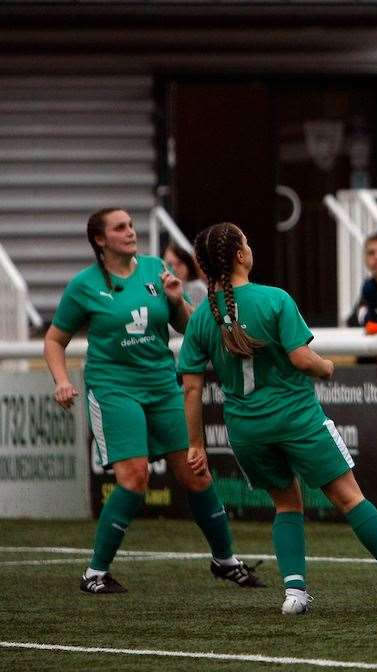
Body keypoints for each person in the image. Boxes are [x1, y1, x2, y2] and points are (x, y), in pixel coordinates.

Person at [178, 222, 377, 615]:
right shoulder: (274, 299)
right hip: (296, 418)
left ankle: (294, 594)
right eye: (246, 242)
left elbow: (192, 388)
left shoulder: (202, 318)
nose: (250, 247)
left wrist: (196, 444)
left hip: (247, 429)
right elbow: (302, 358)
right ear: (239, 256)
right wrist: (327, 368)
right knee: (350, 498)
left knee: (286, 505)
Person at [43, 208, 262, 594]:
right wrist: (62, 380)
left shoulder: (155, 269)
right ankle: (95, 573)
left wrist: (177, 301)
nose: (130, 232)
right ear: (100, 240)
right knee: (135, 477)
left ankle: (225, 561)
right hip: (114, 388)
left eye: (130, 225)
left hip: (161, 384)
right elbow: (54, 340)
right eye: (120, 228)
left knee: (196, 472)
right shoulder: (84, 285)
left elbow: (187, 326)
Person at [163, 243, 207, 308]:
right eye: (169, 264)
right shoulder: (163, 288)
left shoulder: (198, 288)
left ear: (187, 264)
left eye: (179, 263)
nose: (174, 269)